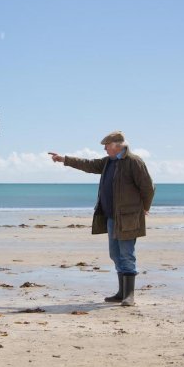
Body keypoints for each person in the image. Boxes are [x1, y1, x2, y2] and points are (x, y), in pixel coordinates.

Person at [49, 131, 154, 306]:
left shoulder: (134, 162)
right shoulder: (108, 162)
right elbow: (88, 164)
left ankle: (129, 296)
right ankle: (121, 293)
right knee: (115, 254)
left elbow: (148, 187)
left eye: (107, 146)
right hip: (111, 217)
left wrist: (145, 207)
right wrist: (64, 159)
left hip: (127, 217)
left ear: (117, 145)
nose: (105, 149)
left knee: (127, 254)